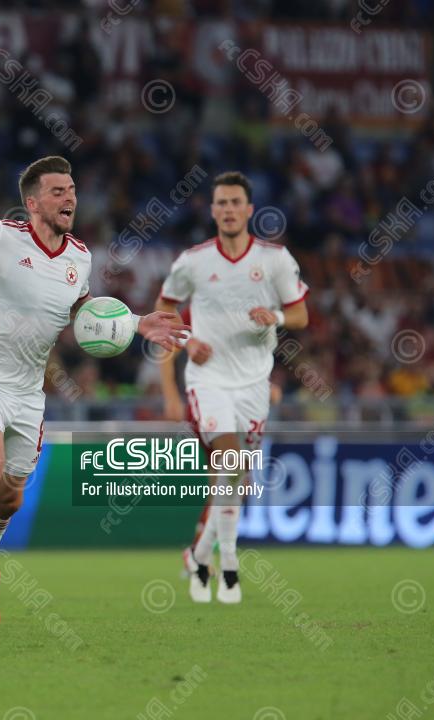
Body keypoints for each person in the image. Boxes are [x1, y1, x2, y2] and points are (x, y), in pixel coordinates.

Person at [0, 156, 187, 624]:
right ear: (33, 203)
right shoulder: (0, 237)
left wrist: (137, 322)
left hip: (28, 392)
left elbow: (83, 310)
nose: (70, 198)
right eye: (58, 191)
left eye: (72, 190)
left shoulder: (79, 257)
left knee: (11, 497)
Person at [155, 171, 308, 604]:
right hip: (207, 380)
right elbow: (163, 309)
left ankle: (199, 556)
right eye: (221, 202)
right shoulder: (194, 261)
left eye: (235, 202)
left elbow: (301, 316)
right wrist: (187, 341)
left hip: (254, 382)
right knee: (229, 460)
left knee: (235, 478)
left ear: (249, 209)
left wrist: (277, 318)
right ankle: (230, 569)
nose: (228, 209)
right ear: (212, 210)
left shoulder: (275, 260)